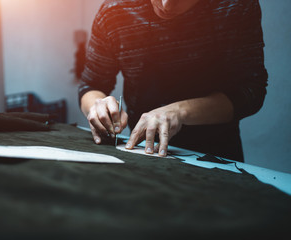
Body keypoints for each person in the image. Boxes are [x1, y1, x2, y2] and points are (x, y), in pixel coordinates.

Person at [78, 0, 268, 162]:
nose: (166, 4)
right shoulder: (114, 9)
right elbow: (91, 85)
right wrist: (98, 105)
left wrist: (180, 111)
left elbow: (251, 91)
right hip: (143, 152)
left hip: (215, 156)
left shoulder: (234, 6)